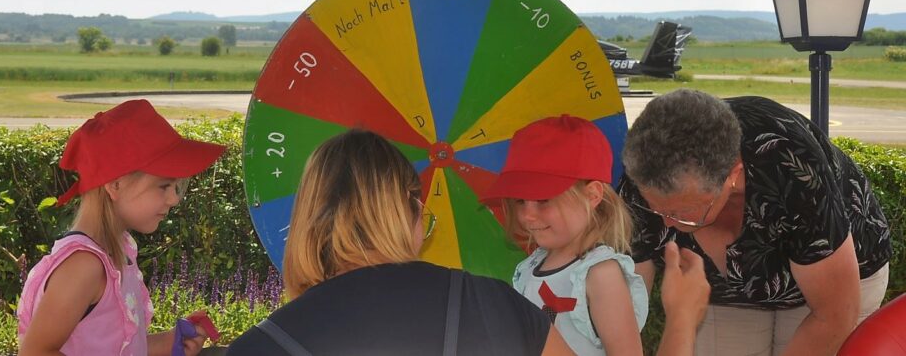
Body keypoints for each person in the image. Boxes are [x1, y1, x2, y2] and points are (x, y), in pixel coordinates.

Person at [227, 128, 709, 356]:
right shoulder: (496, 305)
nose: (528, 215)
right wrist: (682, 320)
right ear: (408, 211)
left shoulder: (263, 344)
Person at [619, 89, 891, 356]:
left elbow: (835, 314)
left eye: (684, 211)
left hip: (830, 289)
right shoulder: (640, 176)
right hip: (724, 295)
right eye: (656, 209)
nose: (668, 224)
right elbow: (625, 310)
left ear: (733, 176)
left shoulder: (791, 165)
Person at [18, 99, 226, 356]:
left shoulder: (117, 251)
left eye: (177, 187)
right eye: (163, 186)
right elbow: (35, 352)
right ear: (115, 185)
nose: (173, 199)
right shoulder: (84, 266)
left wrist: (168, 342)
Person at [482, 115, 647, 355]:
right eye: (519, 200)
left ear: (592, 196)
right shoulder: (531, 266)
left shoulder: (600, 274)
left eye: (543, 200)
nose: (528, 215)